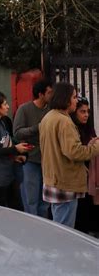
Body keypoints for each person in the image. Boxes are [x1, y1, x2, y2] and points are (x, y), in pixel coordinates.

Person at [40, 82, 99, 228]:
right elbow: (74, 152)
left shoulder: (48, 117)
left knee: (59, 226)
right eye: (74, 97)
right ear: (65, 98)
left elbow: (62, 149)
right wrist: (96, 147)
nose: (76, 100)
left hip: (54, 179)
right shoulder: (64, 121)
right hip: (65, 182)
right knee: (64, 231)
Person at [0, 91, 30, 209]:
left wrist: (15, 156)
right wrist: (15, 149)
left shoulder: (1, 123)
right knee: (0, 211)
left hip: (7, 175)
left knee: (15, 208)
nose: (7, 106)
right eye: (5, 104)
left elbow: (3, 147)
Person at [13, 79, 52, 217]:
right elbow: (17, 133)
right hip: (30, 159)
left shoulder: (51, 110)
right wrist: (37, 128)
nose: (51, 95)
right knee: (31, 198)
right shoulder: (24, 109)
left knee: (45, 200)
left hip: (48, 160)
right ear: (41, 94)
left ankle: (43, 225)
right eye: (49, 92)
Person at [72, 97, 99, 234]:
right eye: (82, 111)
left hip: (90, 176)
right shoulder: (72, 129)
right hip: (77, 176)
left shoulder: (88, 128)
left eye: (87, 111)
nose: (86, 115)